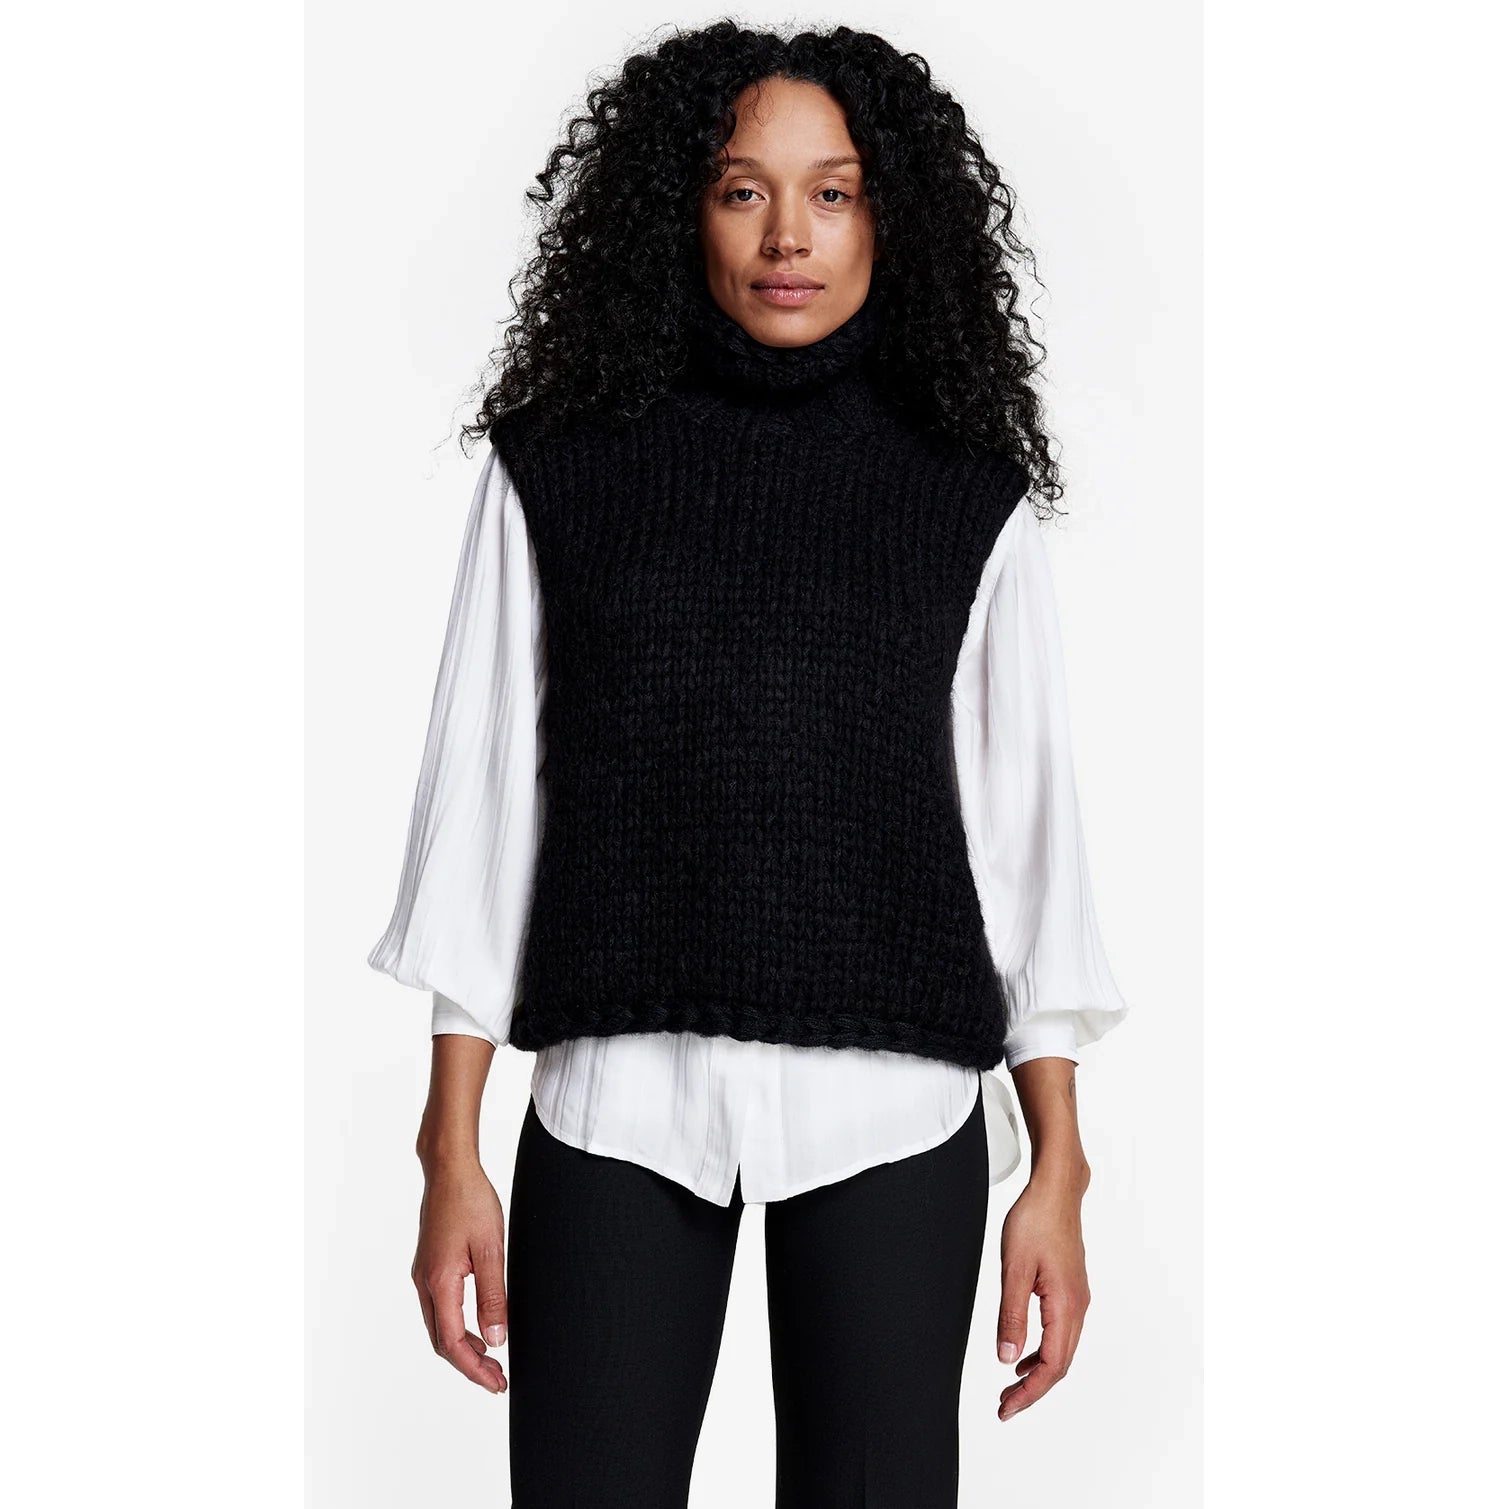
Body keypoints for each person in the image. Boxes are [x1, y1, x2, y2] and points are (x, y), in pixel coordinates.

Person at [366, 21, 1131, 1509]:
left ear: (889, 217)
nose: (790, 236)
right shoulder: (560, 464)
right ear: (680, 210)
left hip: (896, 1110)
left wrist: (1060, 1167)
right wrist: (450, 1150)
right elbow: (483, 813)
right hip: (617, 1103)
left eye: (833, 193)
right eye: (742, 190)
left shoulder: (966, 489)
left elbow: (1025, 837)